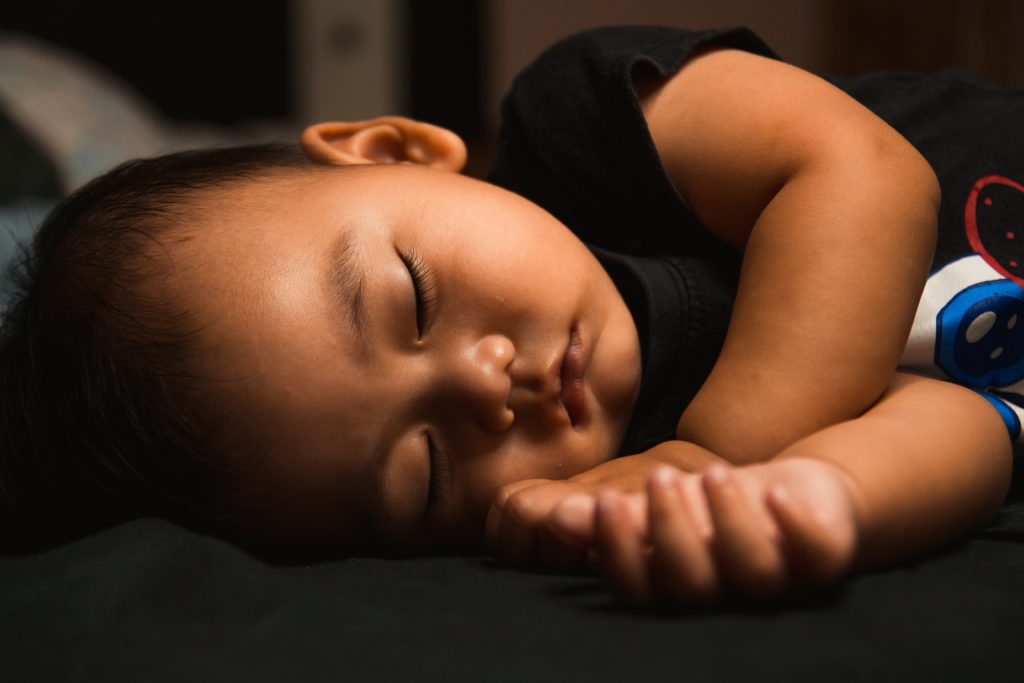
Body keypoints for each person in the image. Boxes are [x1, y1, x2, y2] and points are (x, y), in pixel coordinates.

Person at [0, 26, 1019, 607]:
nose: (482, 384)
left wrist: (719, 451)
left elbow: (861, 171)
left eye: (412, 296)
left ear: (393, 147)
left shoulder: (591, 128)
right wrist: (804, 502)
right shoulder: (607, 498)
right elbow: (972, 430)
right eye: (426, 469)